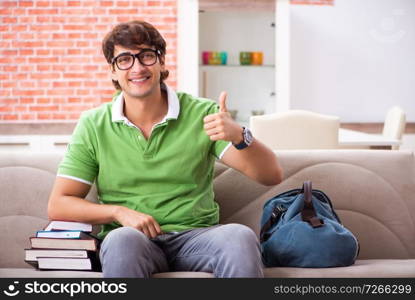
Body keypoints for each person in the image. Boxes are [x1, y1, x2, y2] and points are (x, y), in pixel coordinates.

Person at [48, 20, 283, 278]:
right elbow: (60, 204)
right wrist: (118, 212)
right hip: (133, 241)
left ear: (162, 62)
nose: (137, 67)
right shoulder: (93, 124)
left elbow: (271, 175)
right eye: (125, 59)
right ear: (113, 71)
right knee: (121, 240)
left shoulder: (202, 114)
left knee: (238, 236)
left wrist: (240, 135)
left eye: (146, 56)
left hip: (197, 238)